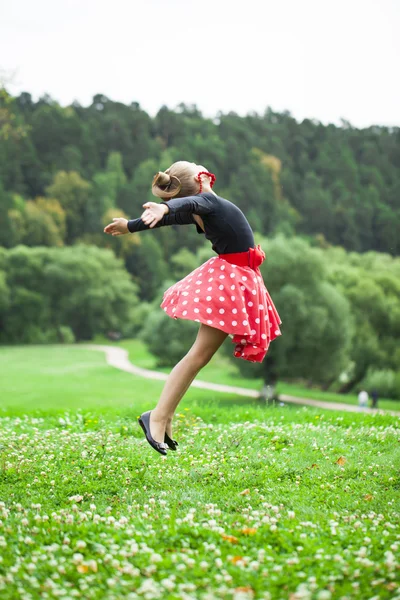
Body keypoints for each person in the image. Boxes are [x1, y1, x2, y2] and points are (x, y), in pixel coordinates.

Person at [104, 161, 282, 455]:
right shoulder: (207, 201)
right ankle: (158, 416)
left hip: (236, 280)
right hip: (231, 283)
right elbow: (185, 206)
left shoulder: (201, 208)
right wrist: (163, 209)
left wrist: (131, 225)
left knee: (198, 357)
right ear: (200, 181)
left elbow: (175, 214)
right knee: (197, 356)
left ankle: (164, 416)